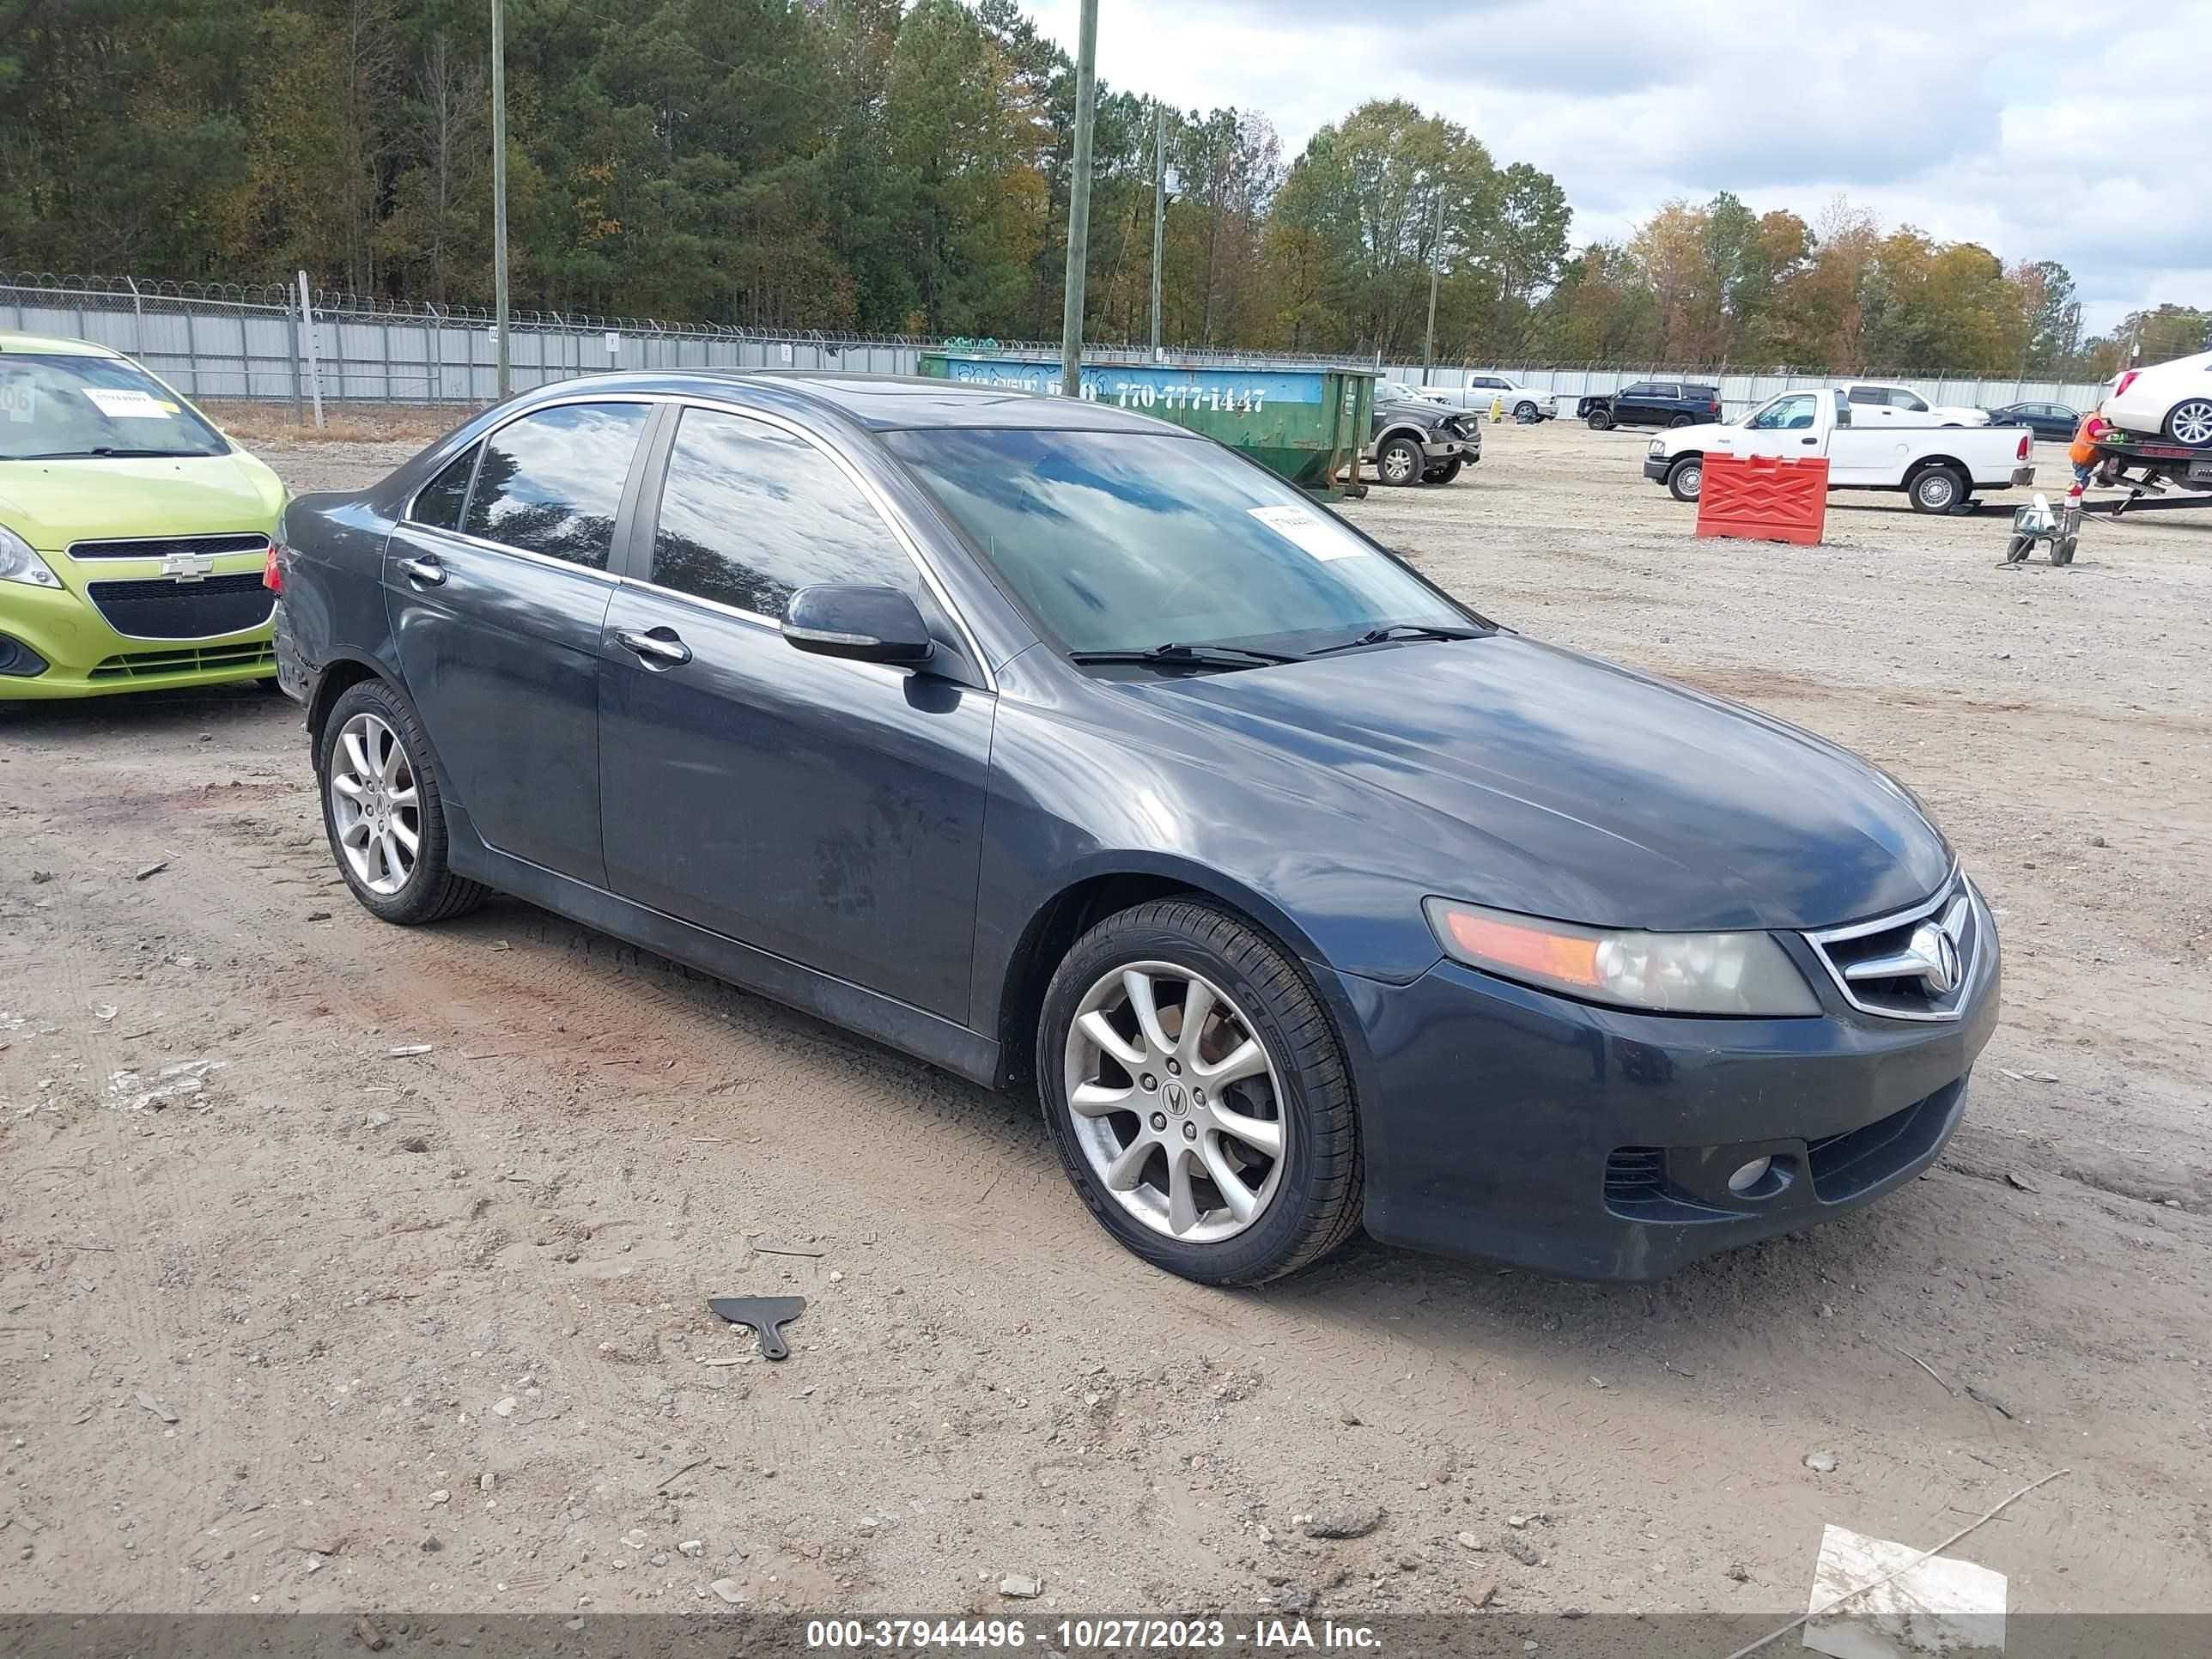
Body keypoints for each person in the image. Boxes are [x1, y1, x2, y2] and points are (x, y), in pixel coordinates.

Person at [2067, 409, 2118, 500]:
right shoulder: (2096, 420)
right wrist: (2114, 431)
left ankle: (2075, 498)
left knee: (2081, 478)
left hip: (2081, 454)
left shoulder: (2093, 417)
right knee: (2081, 480)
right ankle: (2073, 499)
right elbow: (2096, 432)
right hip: (2085, 455)